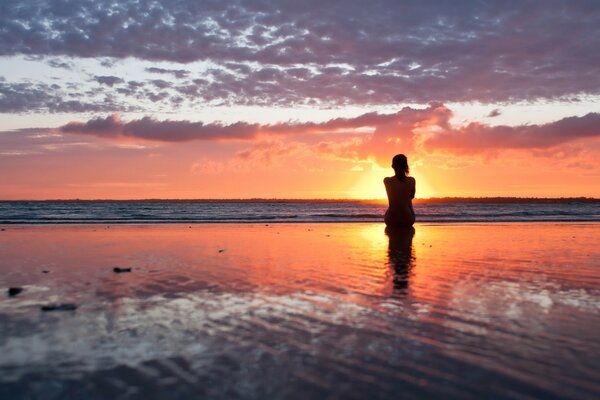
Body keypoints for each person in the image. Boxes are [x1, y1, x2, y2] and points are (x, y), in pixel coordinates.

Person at [383, 154, 416, 227]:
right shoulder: (412, 180)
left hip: (390, 221)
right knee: (407, 199)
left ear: (392, 166)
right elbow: (412, 196)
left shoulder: (386, 180)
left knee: (394, 202)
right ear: (406, 166)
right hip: (408, 221)